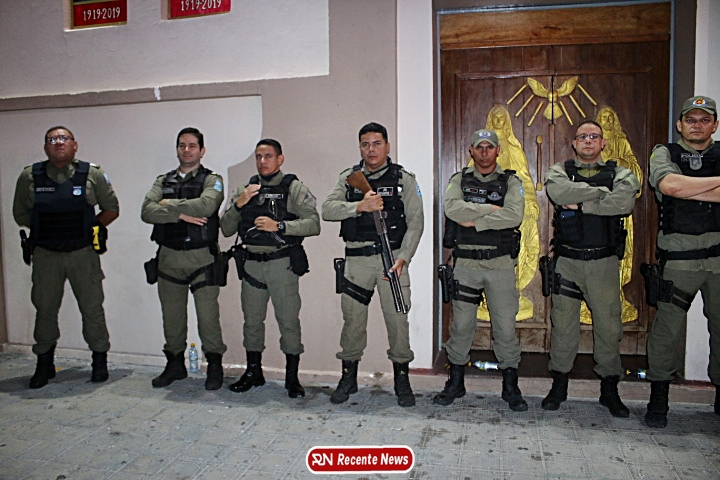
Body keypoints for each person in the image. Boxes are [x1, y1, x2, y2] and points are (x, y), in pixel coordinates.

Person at [322, 122, 424, 407]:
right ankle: (348, 377)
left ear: (387, 146)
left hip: (392, 261)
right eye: (365, 144)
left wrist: (404, 257)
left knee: (397, 321)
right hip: (357, 261)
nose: (371, 149)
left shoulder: (403, 179)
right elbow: (328, 209)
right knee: (353, 321)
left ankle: (402, 379)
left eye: (377, 143)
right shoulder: (349, 178)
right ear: (360, 148)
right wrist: (358, 206)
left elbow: (416, 222)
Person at [543, 120, 640, 417]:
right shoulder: (559, 171)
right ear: (574, 143)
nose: (588, 141)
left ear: (603, 143)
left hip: (603, 263)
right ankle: (559, 385)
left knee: (609, 328)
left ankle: (609, 390)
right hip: (568, 262)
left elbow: (624, 203)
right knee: (563, 326)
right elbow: (560, 194)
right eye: (582, 136)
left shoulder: (621, 173)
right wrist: (601, 194)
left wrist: (583, 204)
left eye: (594, 136)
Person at [12, 126, 119, 389]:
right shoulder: (30, 176)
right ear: (45, 146)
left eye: (64, 139)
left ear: (74, 144)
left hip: (82, 253)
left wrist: (90, 228)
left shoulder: (91, 174)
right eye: (52, 139)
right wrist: (46, 229)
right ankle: (44, 363)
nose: (58, 143)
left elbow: (111, 208)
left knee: (92, 308)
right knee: (45, 309)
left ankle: (99, 361)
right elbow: (20, 213)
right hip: (46, 254)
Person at [220, 139, 320, 398]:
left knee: (288, 322)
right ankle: (254, 372)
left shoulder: (293, 188)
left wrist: (281, 226)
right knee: (252, 322)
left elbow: (313, 224)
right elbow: (226, 228)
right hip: (251, 264)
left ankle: (292, 378)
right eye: (258, 156)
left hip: (281, 264)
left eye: (268, 156)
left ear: (280, 159)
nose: (262, 161)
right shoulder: (246, 189)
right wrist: (239, 203)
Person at [435, 129, 527, 411]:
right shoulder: (459, 180)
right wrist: (494, 210)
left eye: (489, 147)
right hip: (466, 265)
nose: (484, 152)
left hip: (500, 265)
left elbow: (515, 215)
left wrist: (476, 220)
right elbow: (453, 210)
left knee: (505, 327)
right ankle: (455, 382)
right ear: (471, 151)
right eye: (479, 147)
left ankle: (510, 386)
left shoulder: (511, 181)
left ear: (498, 150)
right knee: (461, 326)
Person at [645, 95, 720, 428]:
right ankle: (659, 398)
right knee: (666, 330)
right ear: (680, 125)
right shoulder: (665, 153)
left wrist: (692, 188)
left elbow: (681, 187)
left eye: (704, 120)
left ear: (715, 125)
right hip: (679, 260)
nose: (697, 125)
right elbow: (671, 185)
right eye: (691, 120)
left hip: (718, 261)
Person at [141, 127, 227, 391]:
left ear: (202, 150)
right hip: (169, 258)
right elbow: (146, 211)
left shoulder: (212, 180)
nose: (186, 150)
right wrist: (179, 215)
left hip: (202, 258)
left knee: (208, 319)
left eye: (192, 146)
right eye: (182, 145)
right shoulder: (162, 181)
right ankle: (175, 365)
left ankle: (214, 366)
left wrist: (167, 205)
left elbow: (207, 206)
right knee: (172, 318)